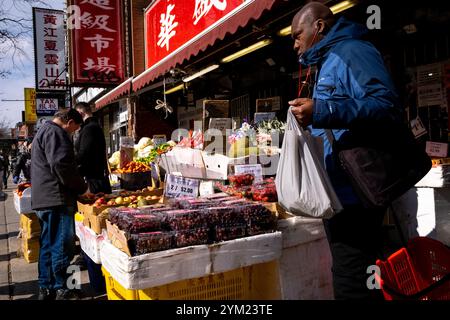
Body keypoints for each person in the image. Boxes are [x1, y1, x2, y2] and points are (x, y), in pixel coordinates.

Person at [288, 3, 403, 300]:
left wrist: (322, 109)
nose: (295, 43)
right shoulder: (325, 62)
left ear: (319, 28)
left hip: (357, 192)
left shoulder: (352, 52)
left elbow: (386, 106)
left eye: (297, 35)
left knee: (352, 276)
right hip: (339, 190)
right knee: (354, 270)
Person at [31, 108, 90, 300]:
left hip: (44, 199)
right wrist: (82, 189)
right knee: (62, 245)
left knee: (48, 244)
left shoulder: (43, 131)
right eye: (75, 128)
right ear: (70, 121)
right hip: (56, 198)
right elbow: (61, 164)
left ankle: (46, 287)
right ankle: (62, 288)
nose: (73, 132)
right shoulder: (56, 132)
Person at [74, 102, 112, 194]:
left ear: (80, 113)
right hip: (96, 177)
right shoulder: (95, 126)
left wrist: (71, 164)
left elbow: (84, 153)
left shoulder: (89, 128)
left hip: (93, 179)